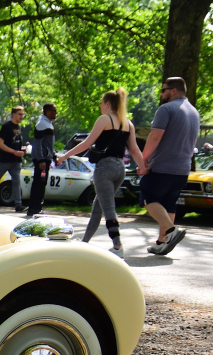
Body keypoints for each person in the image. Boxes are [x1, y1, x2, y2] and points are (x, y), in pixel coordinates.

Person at [57, 90, 144, 259]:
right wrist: (142, 167)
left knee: (108, 207)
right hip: (120, 168)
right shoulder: (128, 123)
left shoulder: (104, 120)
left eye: (101, 103)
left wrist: (66, 155)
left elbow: (87, 143)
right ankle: (85, 241)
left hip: (104, 167)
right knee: (99, 206)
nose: (100, 107)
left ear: (108, 104)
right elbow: (134, 149)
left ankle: (117, 245)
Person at [139, 76, 201, 255]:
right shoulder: (194, 112)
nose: (161, 93)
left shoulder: (166, 109)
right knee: (169, 204)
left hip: (162, 166)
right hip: (183, 168)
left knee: (147, 197)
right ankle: (162, 241)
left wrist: (144, 159)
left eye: (164, 90)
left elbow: (155, 136)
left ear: (174, 90)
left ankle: (171, 231)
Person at [25, 103, 57, 217]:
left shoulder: (47, 123)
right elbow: (38, 144)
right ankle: (34, 208)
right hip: (42, 160)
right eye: (54, 110)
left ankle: (37, 207)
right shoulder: (42, 124)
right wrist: (41, 160)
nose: (56, 113)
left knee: (42, 183)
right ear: (47, 111)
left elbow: (48, 144)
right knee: (39, 183)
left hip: (45, 158)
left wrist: (54, 156)